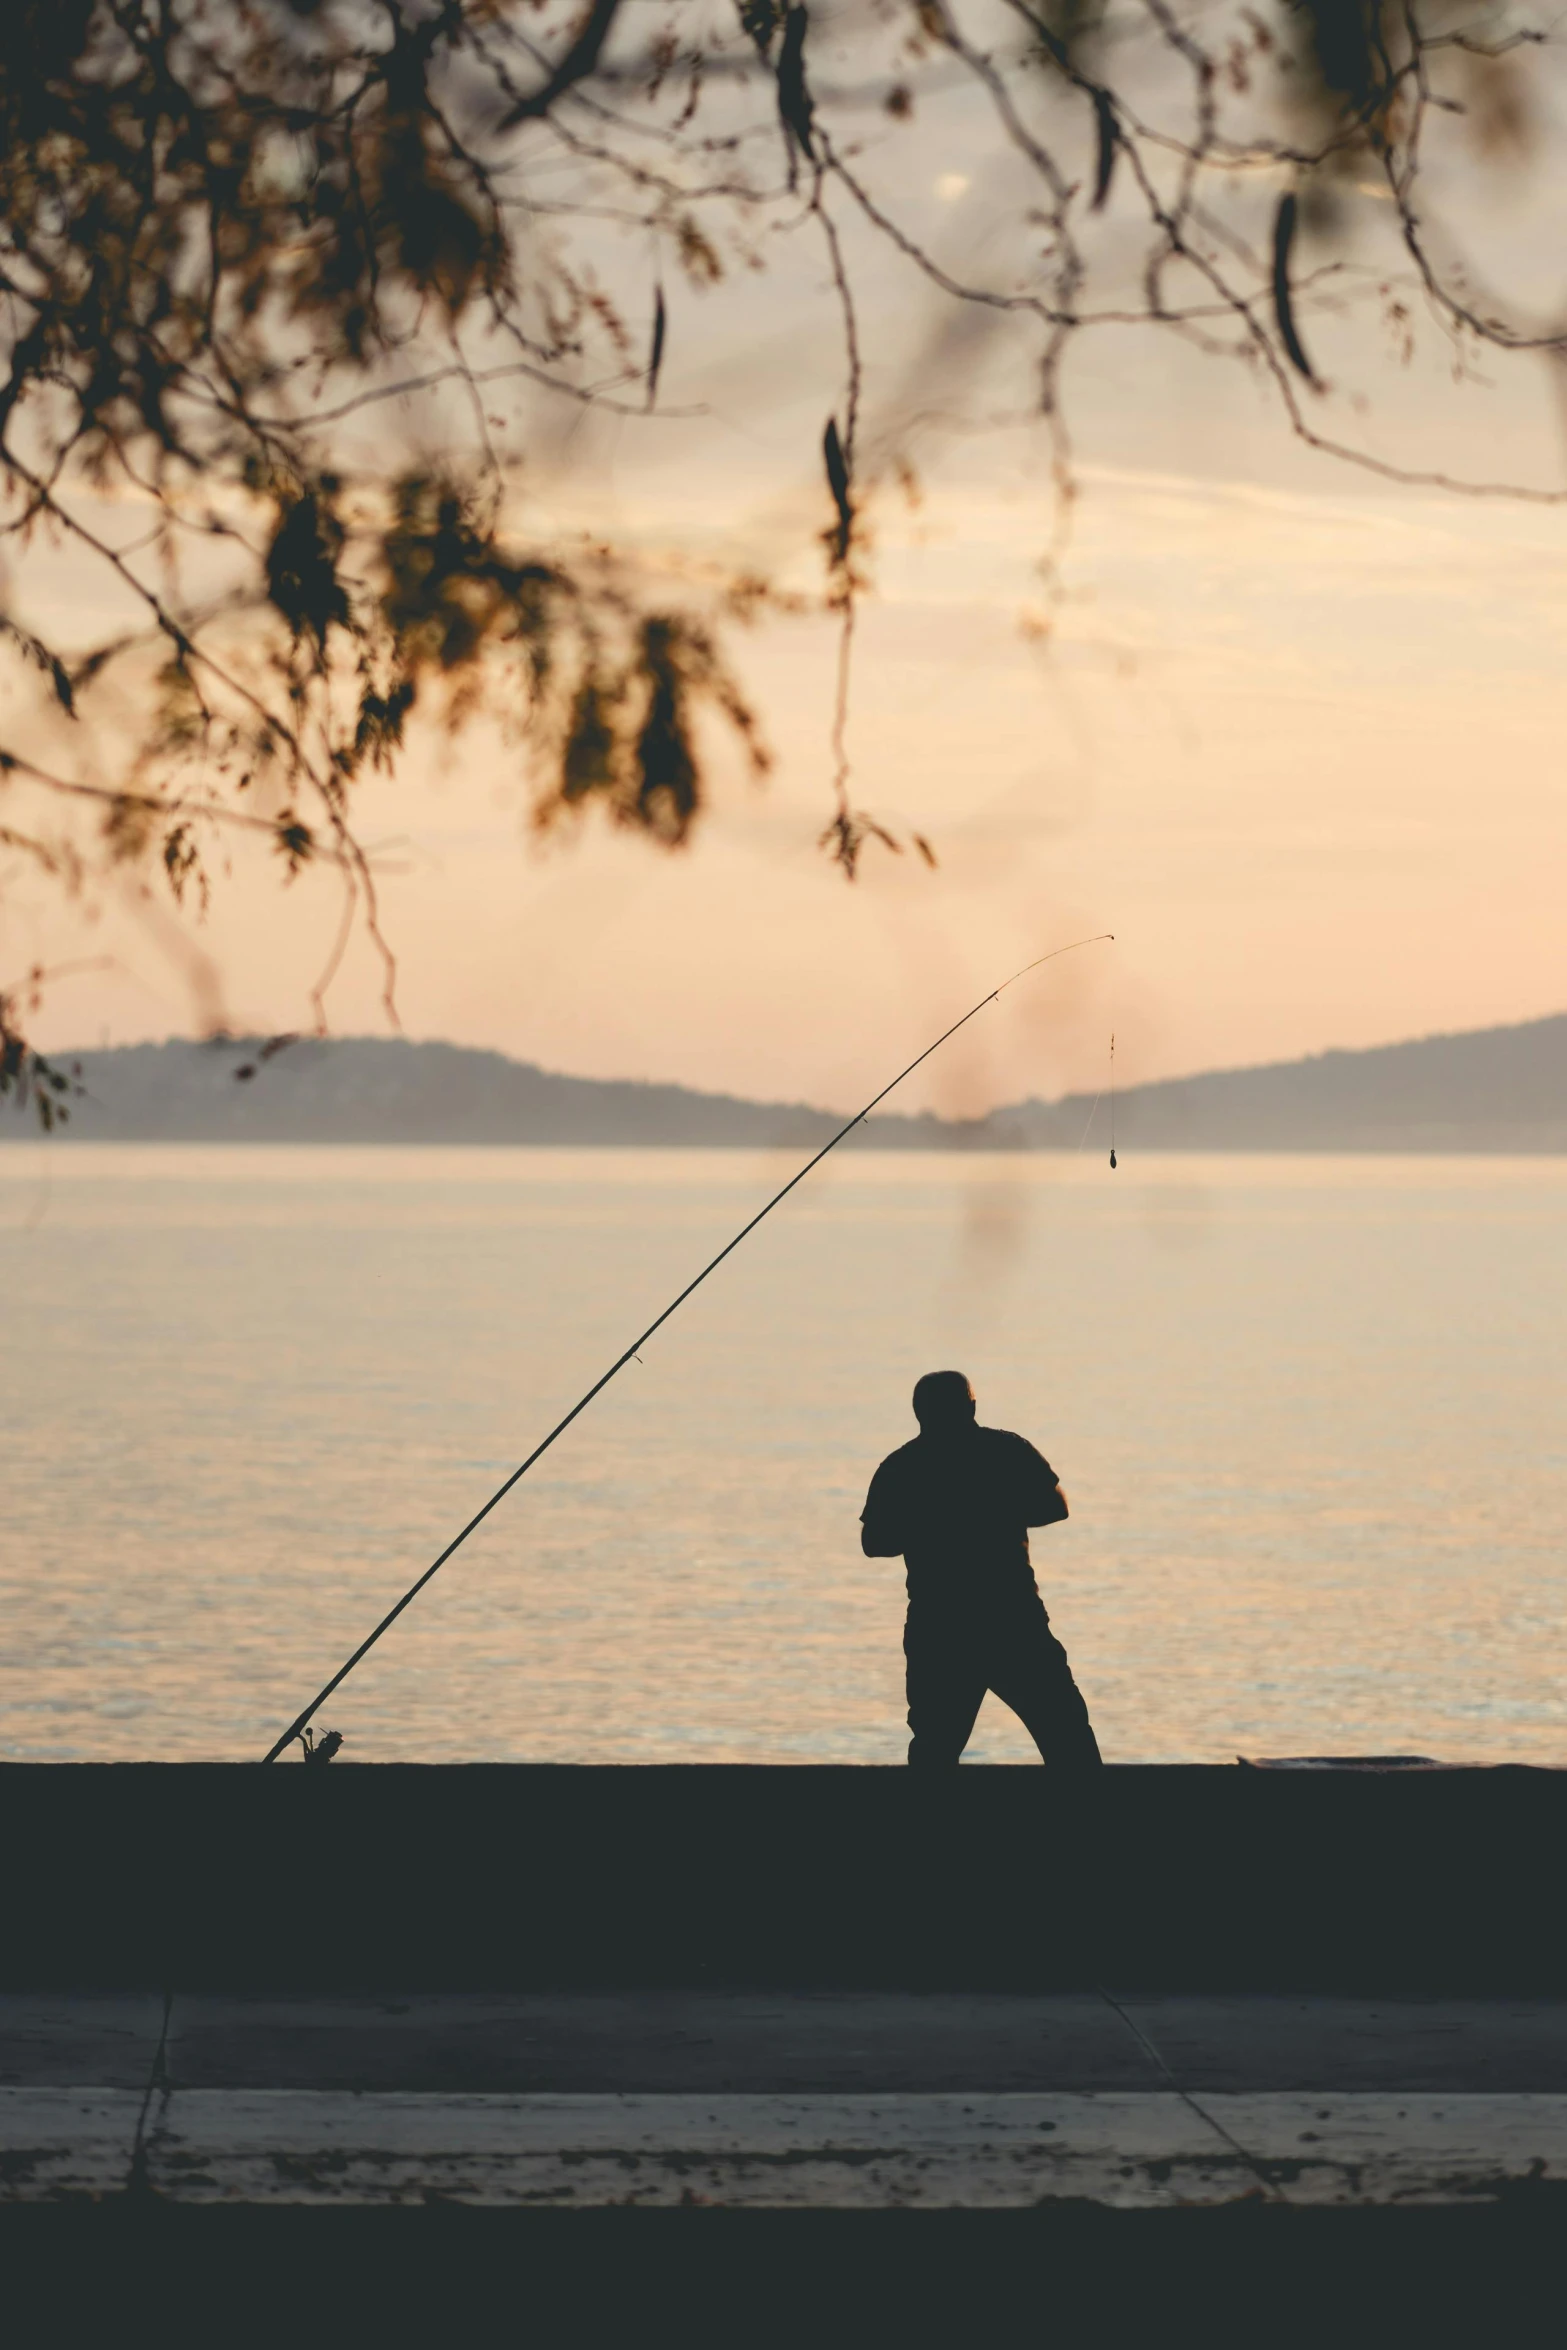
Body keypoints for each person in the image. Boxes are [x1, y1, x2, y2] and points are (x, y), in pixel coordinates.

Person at [860, 1370, 1102, 1769]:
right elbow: (1056, 1506)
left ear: (919, 1413)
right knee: (1067, 1737)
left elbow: (874, 1542)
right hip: (1012, 1619)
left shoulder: (901, 1466)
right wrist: (993, 1514)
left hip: (940, 1627)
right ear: (972, 1406)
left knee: (935, 1748)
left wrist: (929, 1526)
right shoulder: (1008, 1451)